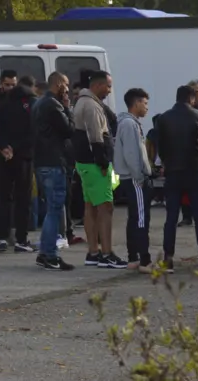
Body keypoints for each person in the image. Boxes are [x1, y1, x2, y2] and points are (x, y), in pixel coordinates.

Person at [155, 84, 198, 272]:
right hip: (195, 172)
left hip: (173, 172)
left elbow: (161, 147)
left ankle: (168, 259)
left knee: (171, 217)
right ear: (192, 98)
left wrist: (167, 162)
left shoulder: (164, 118)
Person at [72, 70, 125, 268]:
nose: (109, 91)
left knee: (91, 207)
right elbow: (96, 137)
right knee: (106, 207)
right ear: (97, 85)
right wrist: (103, 163)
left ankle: (93, 252)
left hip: (84, 163)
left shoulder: (82, 102)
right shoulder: (92, 106)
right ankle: (107, 253)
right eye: (108, 86)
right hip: (95, 164)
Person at [32, 72, 75, 270]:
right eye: (66, 84)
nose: (67, 88)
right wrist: (67, 107)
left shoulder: (39, 103)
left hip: (41, 160)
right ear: (58, 84)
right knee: (55, 209)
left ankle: (46, 253)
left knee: (52, 207)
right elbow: (69, 130)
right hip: (53, 161)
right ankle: (49, 254)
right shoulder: (54, 105)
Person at [0, 74, 37, 253]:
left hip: (4, 159)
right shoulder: (30, 106)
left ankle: (2, 238)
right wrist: (16, 149)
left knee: (4, 198)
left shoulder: (4, 107)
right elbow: (32, 133)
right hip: (24, 158)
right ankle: (21, 240)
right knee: (23, 200)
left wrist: (5, 148)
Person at [114, 87, 153, 272]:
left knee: (134, 217)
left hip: (130, 178)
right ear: (136, 103)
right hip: (134, 178)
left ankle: (133, 257)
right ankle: (145, 260)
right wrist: (139, 176)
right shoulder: (129, 125)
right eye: (145, 103)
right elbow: (131, 154)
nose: (146, 108)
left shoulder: (130, 123)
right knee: (140, 219)